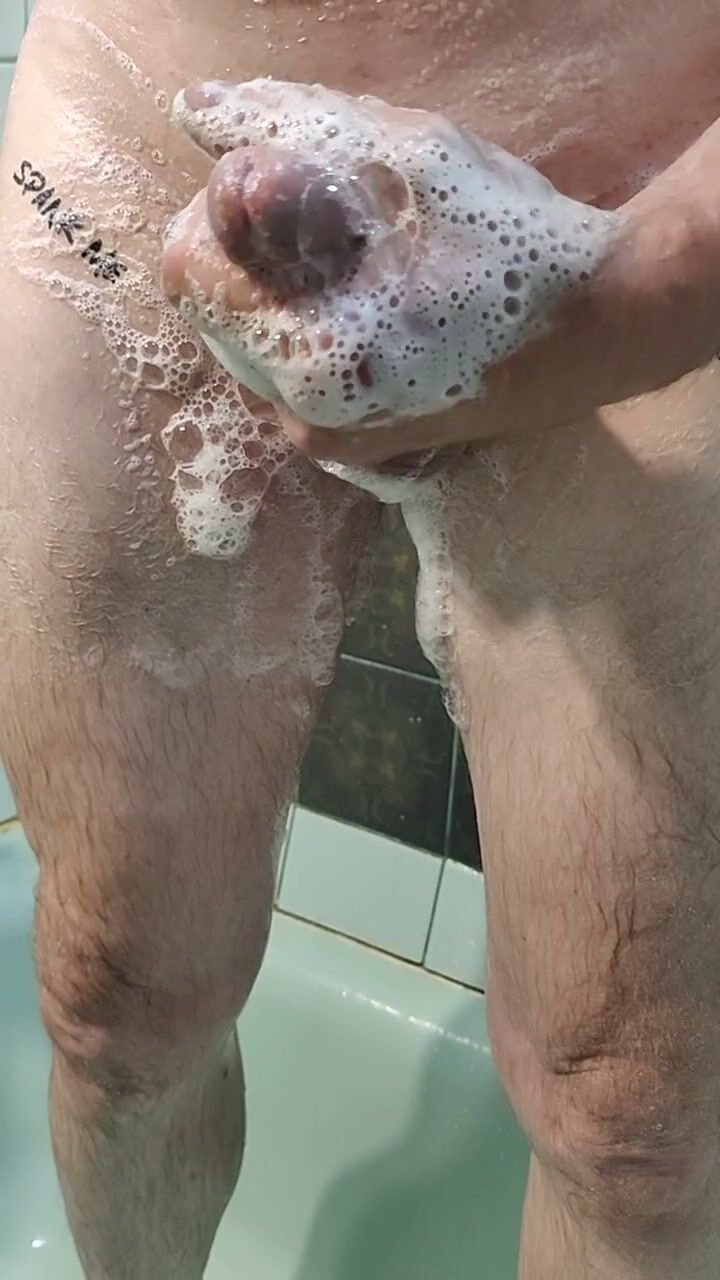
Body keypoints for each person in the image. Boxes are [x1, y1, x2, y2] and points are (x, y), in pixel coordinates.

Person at [1, 1, 719, 1277]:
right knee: (115, 998)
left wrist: (655, 282)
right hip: (143, 102)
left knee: (633, 1124)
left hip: (658, 144)